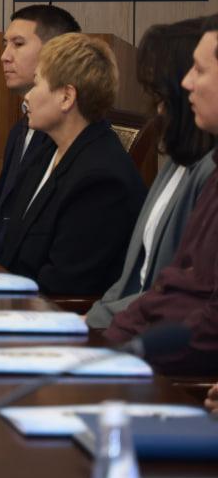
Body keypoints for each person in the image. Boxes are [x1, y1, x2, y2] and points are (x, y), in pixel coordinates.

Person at [0, 33, 145, 295]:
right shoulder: (46, 151)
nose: (27, 97)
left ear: (66, 97)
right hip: (12, 297)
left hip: (43, 312)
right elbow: (13, 245)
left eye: (36, 84)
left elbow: (63, 288)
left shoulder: (101, 180)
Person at [86, 18, 216, 328]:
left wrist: (96, 323)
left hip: (155, 338)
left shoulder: (208, 172)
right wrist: (95, 318)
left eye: (161, 93)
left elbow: (184, 296)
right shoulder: (175, 161)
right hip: (129, 327)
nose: (157, 107)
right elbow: (131, 280)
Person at [0, 4, 81, 243]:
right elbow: (0, 206)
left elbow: (42, 223)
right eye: (5, 44)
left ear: (55, 53)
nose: (4, 56)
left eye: (18, 44)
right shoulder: (20, 129)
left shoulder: (63, 133)